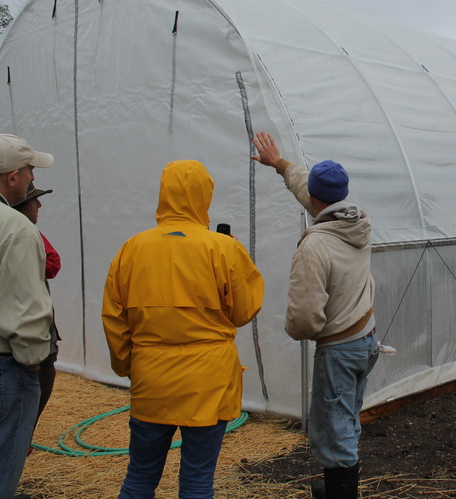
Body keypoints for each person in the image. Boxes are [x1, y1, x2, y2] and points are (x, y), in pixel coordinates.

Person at [102, 160, 264, 499]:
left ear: (163, 193)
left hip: (152, 379)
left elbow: (115, 320)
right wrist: (235, 254)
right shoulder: (222, 248)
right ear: (205, 194)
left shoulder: (132, 249)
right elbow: (244, 311)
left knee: (139, 479)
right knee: (196, 482)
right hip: (208, 381)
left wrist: (131, 367)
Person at [252, 132, 378, 499]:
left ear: (315, 199)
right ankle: (337, 486)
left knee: (332, 429)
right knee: (346, 418)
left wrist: (295, 328)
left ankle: (341, 493)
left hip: (339, 350)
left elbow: (304, 320)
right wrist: (280, 164)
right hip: (365, 339)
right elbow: (310, 189)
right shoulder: (358, 221)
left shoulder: (315, 245)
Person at [0, 134, 54, 499]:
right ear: (13, 177)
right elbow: (26, 312)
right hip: (6, 366)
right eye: (30, 171)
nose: (34, 178)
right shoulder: (16, 228)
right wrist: (33, 362)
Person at [12, 187, 62, 446]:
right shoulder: (23, 231)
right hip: (26, 323)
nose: (39, 206)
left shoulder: (24, 231)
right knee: (40, 369)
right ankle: (22, 438)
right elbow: (53, 263)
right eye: (34, 201)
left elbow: (52, 263)